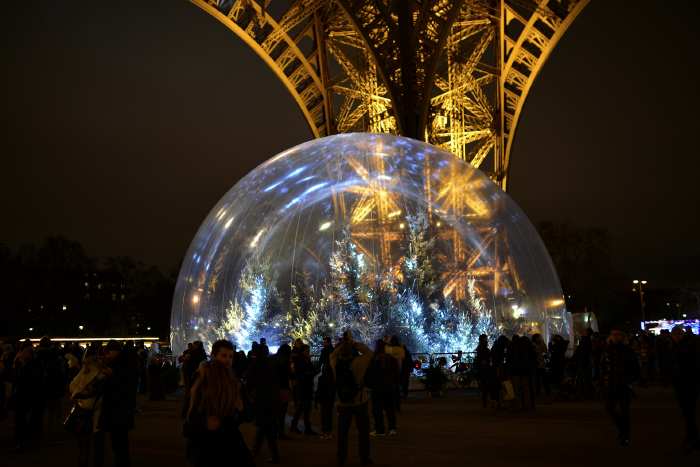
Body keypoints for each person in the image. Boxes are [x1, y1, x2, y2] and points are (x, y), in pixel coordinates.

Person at [184, 340, 253, 467]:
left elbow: (247, 415)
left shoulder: (235, 383)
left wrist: (241, 409)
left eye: (230, 356)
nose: (227, 360)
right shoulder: (202, 379)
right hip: (205, 442)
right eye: (223, 355)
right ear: (214, 356)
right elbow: (189, 412)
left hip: (229, 440)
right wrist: (204, 422)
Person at [330, 331, 374, 466]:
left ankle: (341, 458)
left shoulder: (335, 363)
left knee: (342, 433)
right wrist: (354, 343)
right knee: (363, 432)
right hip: (360, 401)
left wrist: (342, 344)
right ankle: (364, 458)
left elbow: (332, 354)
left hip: (343, 403)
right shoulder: (359, 362)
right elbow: (369, 353)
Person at [94, 340, 138, 467]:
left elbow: (122, 386)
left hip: (117, 408)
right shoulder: (126, 362)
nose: (106, 355)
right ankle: (122, 462)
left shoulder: (119, 365)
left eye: (108, 352)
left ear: (114, 351)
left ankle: (122, 463)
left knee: (119, 441)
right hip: (121, 408)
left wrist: (111, 375)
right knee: (120, 440)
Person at [600, 329, 640, 446]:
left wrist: (630, 381)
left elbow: (635, 368)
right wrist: (602, 380)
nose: (615, 337)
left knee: (624, 411)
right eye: (613, 335)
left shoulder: (628, 350)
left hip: (624, 385)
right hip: (611, 384)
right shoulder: (607, 350)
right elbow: (603, 366)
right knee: (609, 408)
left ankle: (625, 435)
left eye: (618, 335)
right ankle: (622, 428)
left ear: (622, 337)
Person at [69, 354, 107, 467]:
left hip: (83, 411)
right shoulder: (102, 375)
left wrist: (78, 392)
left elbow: (71, 386)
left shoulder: (83, 373)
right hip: (96, 414)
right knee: (97, 445)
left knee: (83, 445)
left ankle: (83, 462)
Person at [247, 343, 281, 464]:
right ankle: (258, 449)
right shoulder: (271, 364)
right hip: (271, 399)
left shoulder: (255, 365)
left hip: (261, 400)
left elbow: (250, 382)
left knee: (265, 427)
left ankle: (272, 454)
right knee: (265, 426)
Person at [670, 325, 699, 453]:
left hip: (686, 384)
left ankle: (692, 438)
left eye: (677, 335)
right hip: (685, 383)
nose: (675, 337)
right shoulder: (683, 346)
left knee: (688, 413)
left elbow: (684, 366)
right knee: (688, 413)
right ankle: (692, 437)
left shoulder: (684, 347)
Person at [12, 340, 43, 450]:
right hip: (30, 393)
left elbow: (17, 379)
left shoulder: (20, 362)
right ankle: (27, 439)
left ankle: (21, 440)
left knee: (21, 418)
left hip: (23, 393)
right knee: (28, 418)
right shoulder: (34, 363)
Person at [368, 340, 398, 436]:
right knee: (390, 409)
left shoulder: (374, 358)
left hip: (377, 387)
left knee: (377, 409)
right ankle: (392, 428)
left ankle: (380, 429)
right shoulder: (391, 358)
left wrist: (369, 384)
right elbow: (396, 371)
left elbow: (370, 373)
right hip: (389, 387)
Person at [290, 344, 317, 435]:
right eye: (307, 350)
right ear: (303, 351)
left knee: (306, 408)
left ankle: (306, 428)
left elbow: (312, 370)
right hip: (302, 387)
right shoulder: (299, 361)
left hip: (307, 386)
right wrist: (309, 373)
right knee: (301, 407)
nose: (308, 352)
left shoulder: (306, 360)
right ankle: (295, 426)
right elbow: (300, 373)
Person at [316, 336, 336, 440]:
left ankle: (325, 430)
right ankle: (329, 430)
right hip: (331, 382)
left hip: (325, 382)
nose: (323, 343)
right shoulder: (333, 350)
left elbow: (320, 363)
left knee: (325, 409)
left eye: (324, 341)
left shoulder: (325, 351)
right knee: (329, 408)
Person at [274, 344, 292, 439]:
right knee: (282, 412)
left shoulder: (274, 359)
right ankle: (280, 432)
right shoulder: (285, 362)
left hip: (275, 388)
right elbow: (289, 375)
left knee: (277, 411)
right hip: (283, 388)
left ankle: (276, 431)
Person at [474, 334, 493, 408]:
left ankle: (485, 401)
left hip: (482, 369)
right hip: (485, 370)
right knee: (486, 385)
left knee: (484, 386)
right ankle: (486, 401)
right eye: (486, 339)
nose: (487, 340)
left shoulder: (480, 348)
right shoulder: (484, 349)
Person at [532, 334, 550, 399]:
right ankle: (539, 392)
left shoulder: (541, 344)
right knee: (538, 379)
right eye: (539, 337)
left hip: (541, 365)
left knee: (543, 379)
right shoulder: (533, 345)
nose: (540, 338)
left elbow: (545, 351)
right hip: (537, 365)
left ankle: (544, 392)